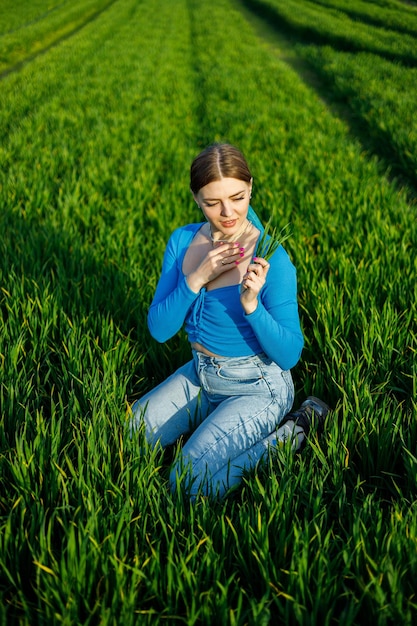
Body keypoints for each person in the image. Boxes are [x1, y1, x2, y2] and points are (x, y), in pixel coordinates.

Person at [130, 143, 329, 499]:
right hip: (202, 374)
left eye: (238, 197)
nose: (228, 212)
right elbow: (159, 330)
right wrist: (196, 278)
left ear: (250, 187)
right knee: (127, 437)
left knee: (186, 483)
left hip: (257, 386)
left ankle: (292, 432)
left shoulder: (273, 259)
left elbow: (289, 355)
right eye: (212, 202)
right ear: (196, 199)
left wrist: (252, 306)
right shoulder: (183, 241)